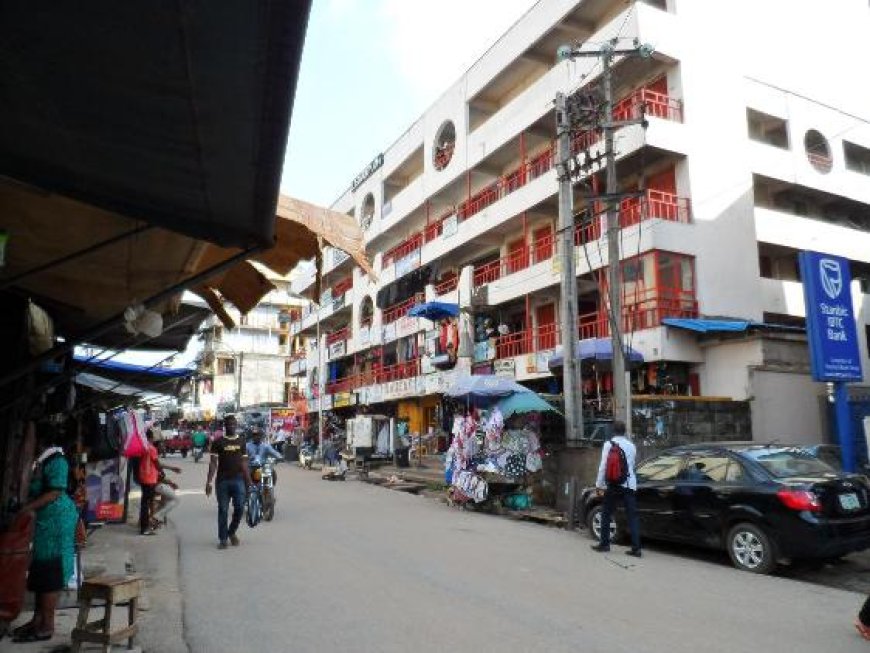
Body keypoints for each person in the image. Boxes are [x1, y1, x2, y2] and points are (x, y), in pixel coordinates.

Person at [11, 436, 78, 643]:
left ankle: (47, 626)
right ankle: (37, 620)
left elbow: (54, 492)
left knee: (50, 572)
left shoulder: (57, 460)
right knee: (40, 570)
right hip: (45, 522)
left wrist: (26, 508)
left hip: (57, 521)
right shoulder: (41, 461)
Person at [591, 420, 642, 558]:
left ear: (613, 431)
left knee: (606, 513)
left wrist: (599, 484)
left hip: (613, 484)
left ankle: (604, 544)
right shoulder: (632, 446)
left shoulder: (608, 444)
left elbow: (603, 466)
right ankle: (636, 548)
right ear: (624, 431)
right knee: (632, 516)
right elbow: (631, 466)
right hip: (629, 484)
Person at [206, 415, 252, 549]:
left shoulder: (242, 441)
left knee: (240, 508)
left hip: (238, 480)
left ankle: (231, 532)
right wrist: (209, 482)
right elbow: (213, 463)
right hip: (222, 481)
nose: (231, 426)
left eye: (233, 424)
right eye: (228, 424)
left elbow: (244, 463)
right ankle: (223, 539)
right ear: (224, 426)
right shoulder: (218, 442)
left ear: (236, 425)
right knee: (223, 510)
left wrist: (249, 481)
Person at [138, 430, 160, 536]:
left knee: (145, 503)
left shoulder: (142, 447)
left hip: (142, 476)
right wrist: (161, 471)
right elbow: (156, 462)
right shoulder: (151, 448)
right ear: (151, 437)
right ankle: (145, 528)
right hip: (150, 478)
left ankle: (144, 525)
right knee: (147, 504)